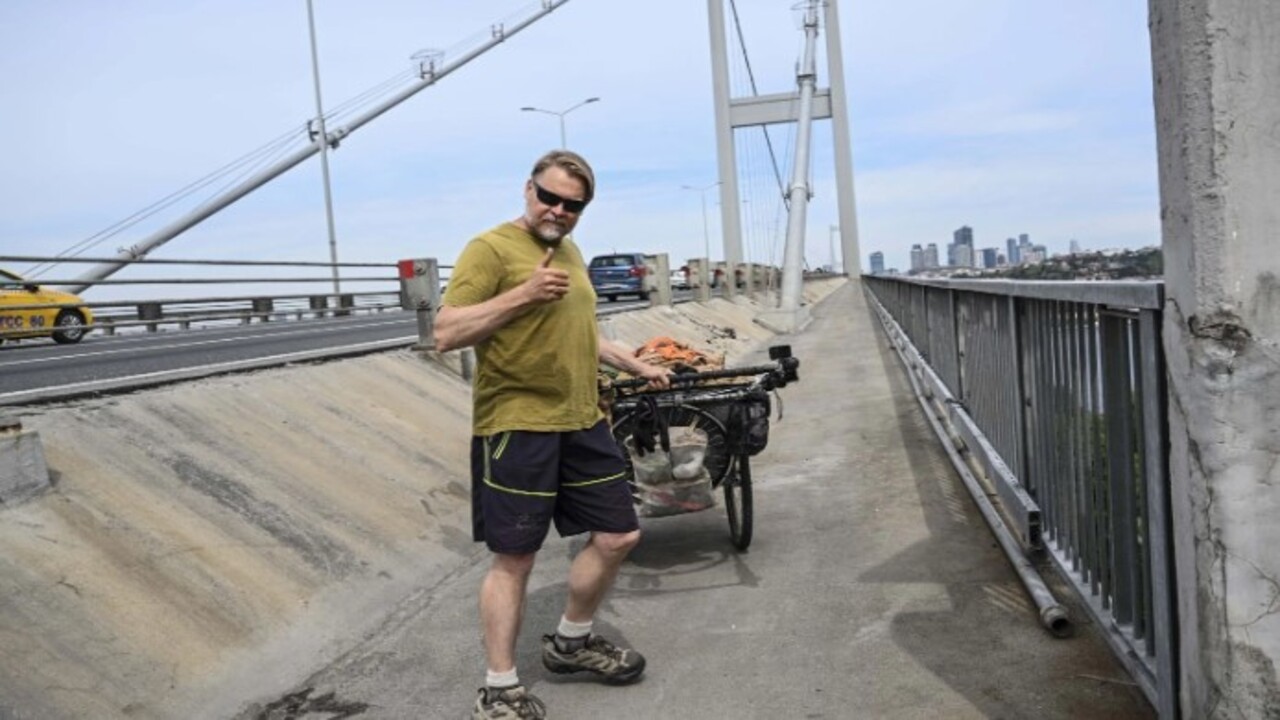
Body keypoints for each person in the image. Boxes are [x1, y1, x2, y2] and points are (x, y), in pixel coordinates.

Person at [435, 150, 671, 719]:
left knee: (619, 536)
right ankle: (498, 688)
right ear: (528, 189)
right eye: (550, 197)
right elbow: (445, 331)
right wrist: (522, 294)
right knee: (515, 558)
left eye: (573, 205)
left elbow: (580, 329)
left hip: (583, 417)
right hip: (518, 424)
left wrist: (634, 363)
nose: (559, 211)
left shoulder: (570, 252)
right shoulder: (489, 249)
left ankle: (571, 644)